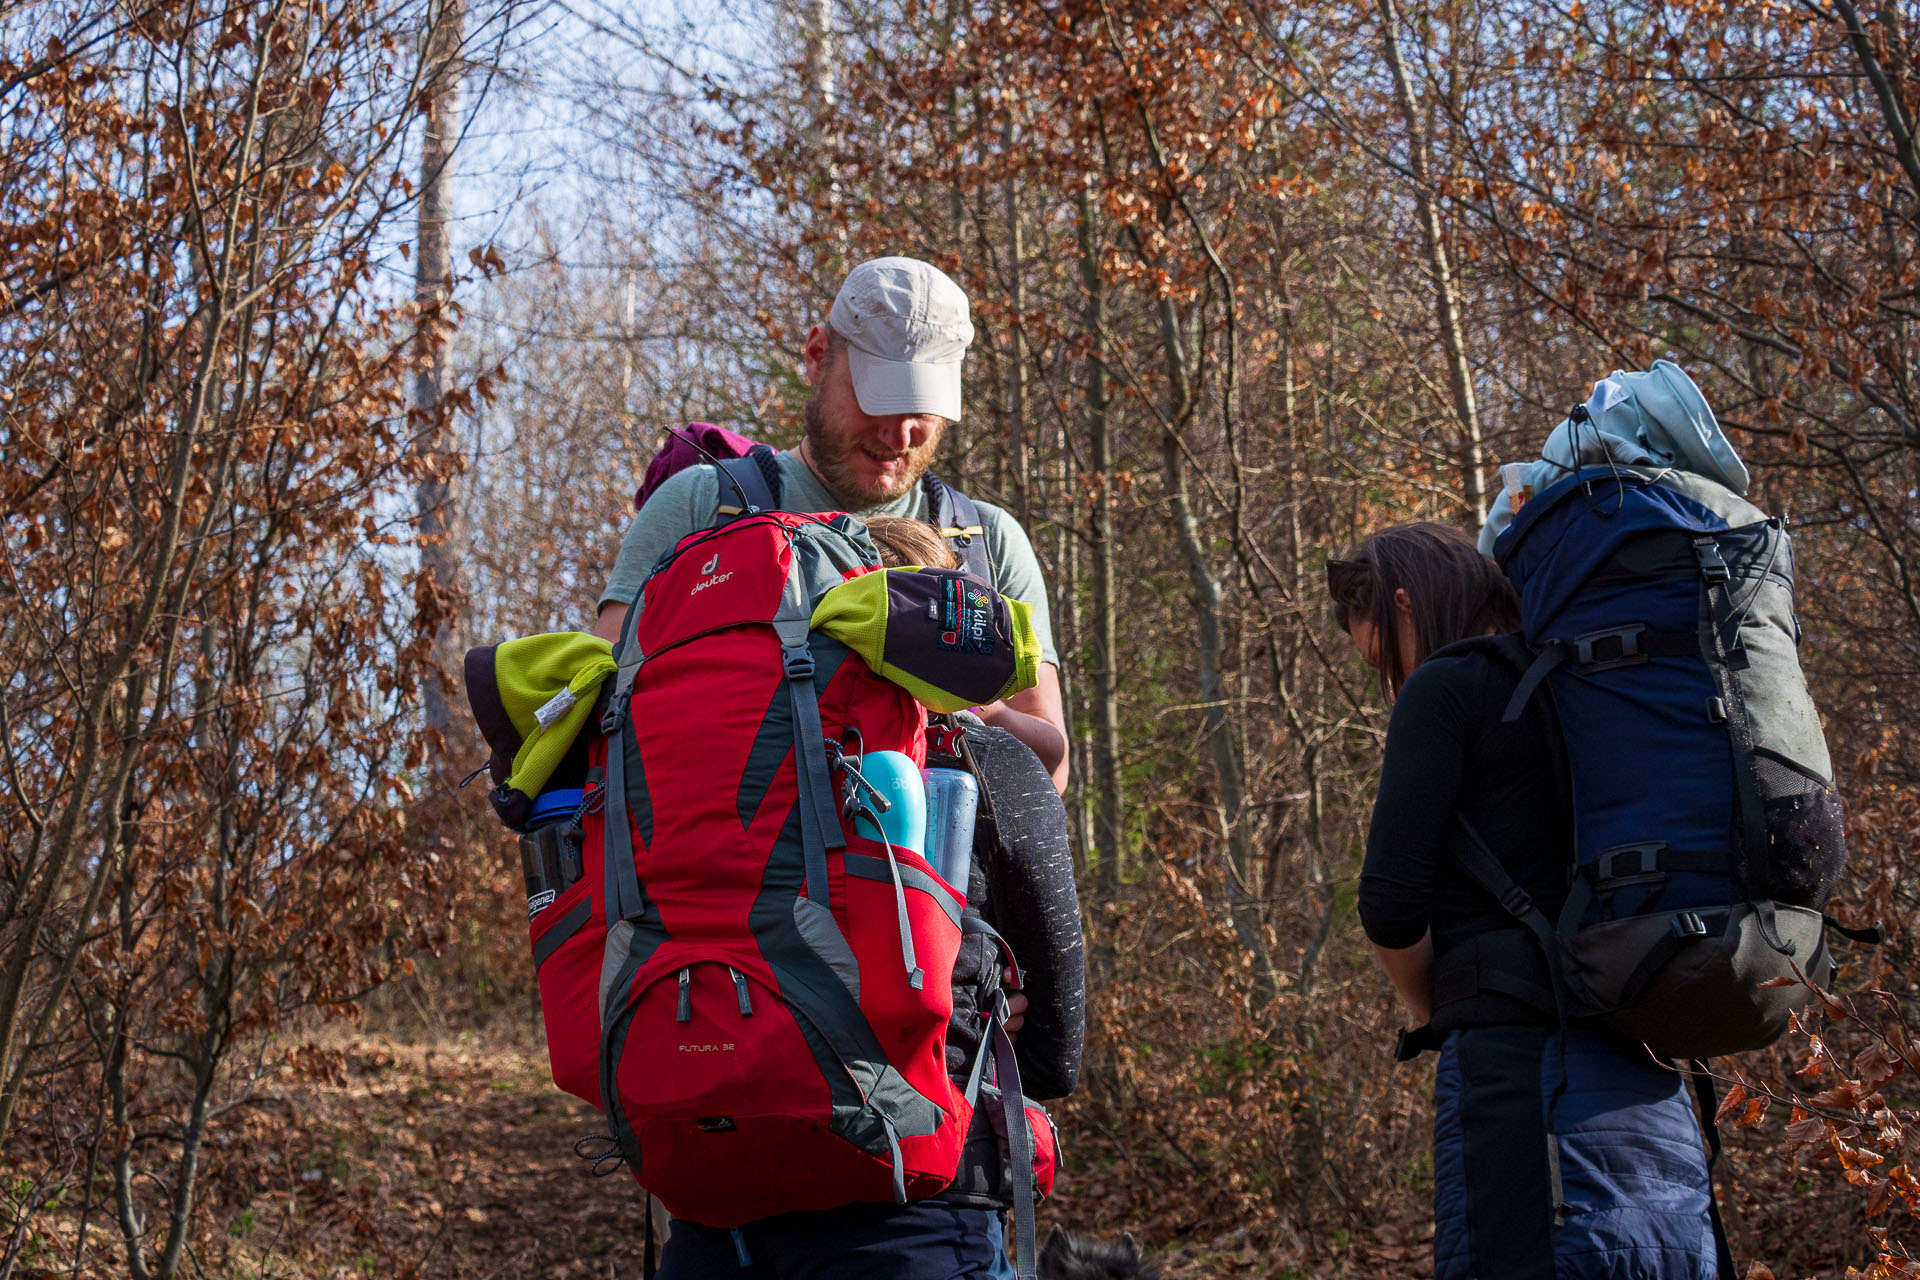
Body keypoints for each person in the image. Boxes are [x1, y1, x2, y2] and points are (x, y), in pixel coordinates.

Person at [1328, 521, 1722, 1280]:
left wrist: (1429, 1007)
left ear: (1405, 606)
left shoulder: (1448, 687)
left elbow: (1389, 904)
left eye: (1381, 657)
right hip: (1652, 1074)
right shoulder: (1599, 689)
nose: (1390, 682)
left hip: (1521, 1095)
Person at [593, 256, 1069, 794]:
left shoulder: (986, 540)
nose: (899, 433)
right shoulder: (705, 505)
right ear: (817, 357)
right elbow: (602, 692)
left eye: (923, 409)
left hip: (932, 874)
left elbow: (1052, 767)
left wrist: (974, 700)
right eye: (879, 398)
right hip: (729, 865)